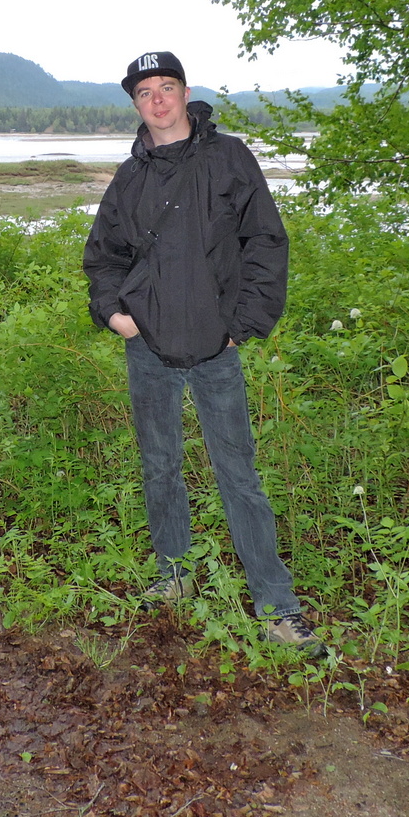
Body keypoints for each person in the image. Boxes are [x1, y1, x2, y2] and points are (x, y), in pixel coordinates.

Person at [83, 51, 321, 649]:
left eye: (166, 87)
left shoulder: (228, 159)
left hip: (216, 347)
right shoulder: (130, 178)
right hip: (149, 347)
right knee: (160, 467)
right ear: (135, 105)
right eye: (144, 93)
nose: (157, 100)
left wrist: (244, 324)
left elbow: (265, 241)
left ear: (186, 94)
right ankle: (175, 575)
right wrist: (116, 316)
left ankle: (277, 607)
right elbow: (103, 258)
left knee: (238, 474)